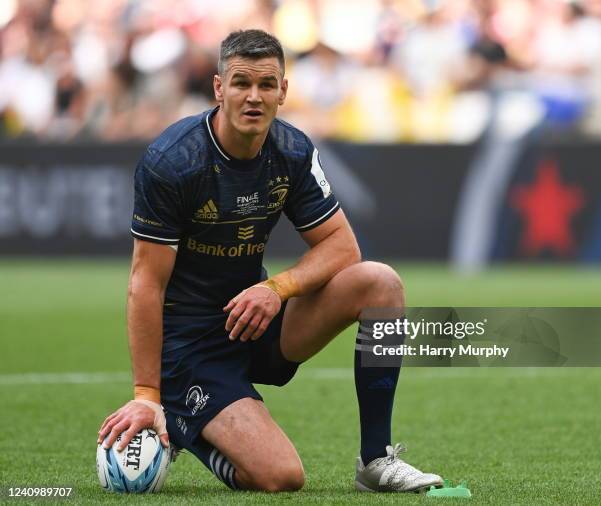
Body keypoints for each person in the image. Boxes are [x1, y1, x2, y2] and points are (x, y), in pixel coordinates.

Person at [97, 29, 442, 493]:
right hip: (192, 349)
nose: (253, 97)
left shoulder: (293, 150)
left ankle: (375, 461)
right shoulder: (173, 162)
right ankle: (180, 420)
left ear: (284, 90)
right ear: (219, 88)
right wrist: (147, 395)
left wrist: (275, 289)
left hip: (256, 321)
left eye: (266, 84)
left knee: (379, 283)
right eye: (241, 83)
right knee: (282, 477)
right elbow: (145, 284)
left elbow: (343, 247)